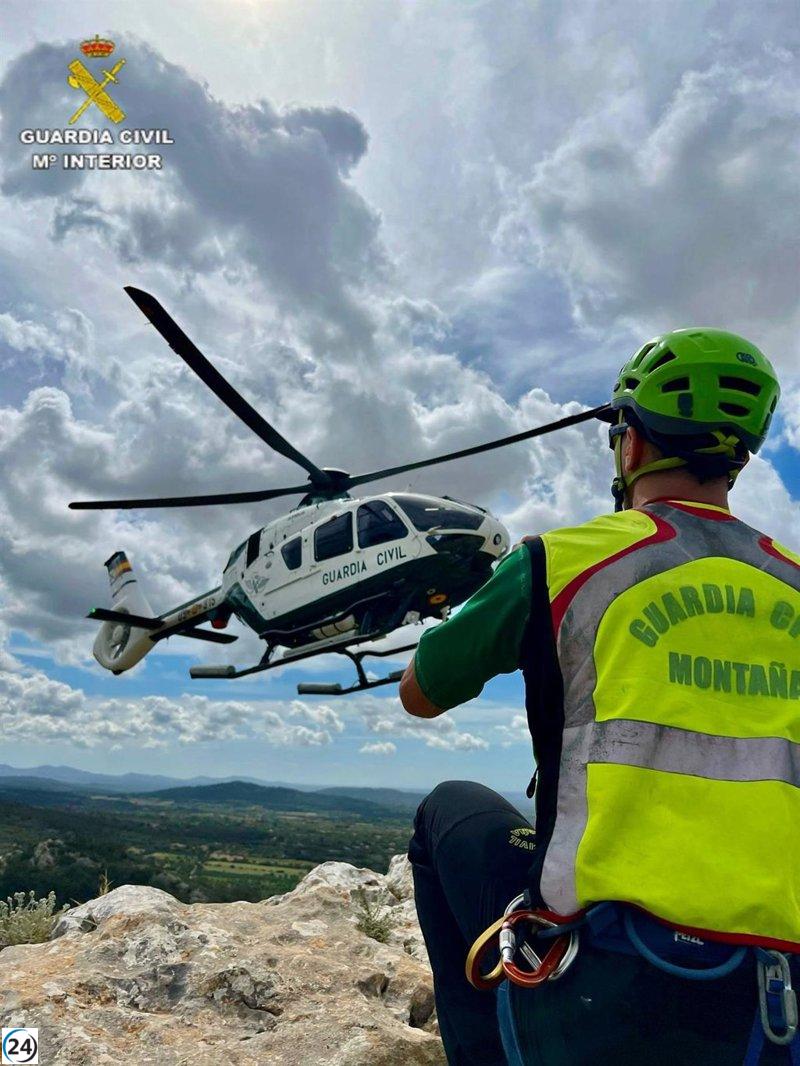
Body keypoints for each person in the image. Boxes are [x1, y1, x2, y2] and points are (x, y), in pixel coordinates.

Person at [400, 328, 800, 1065]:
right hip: (772, 1001)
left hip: (606, 980)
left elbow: (420, 693)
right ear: (738, 457)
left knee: (445, 809)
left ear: (633, 442)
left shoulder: (563, 560)